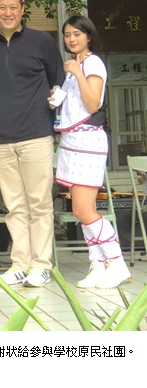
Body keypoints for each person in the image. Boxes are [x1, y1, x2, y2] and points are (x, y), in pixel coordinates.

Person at [0, 0, 65, 287]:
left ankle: (41, 265)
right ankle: (20, 263)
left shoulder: (42, 41)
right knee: (13, 205)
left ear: (23, 9)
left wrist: (56, 97)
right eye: (2, 7)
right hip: (1, 137)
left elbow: (58, 80)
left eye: (13, 7)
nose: (8, 12)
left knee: (39, 202)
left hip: (36, 134)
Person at [53, 15, 131, 288]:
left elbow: (93, 104)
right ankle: (97, 266)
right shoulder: (76, 65)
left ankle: (116, 263)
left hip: (87, 142)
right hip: (72, 142)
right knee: (81, 210)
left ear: (88, 36)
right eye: (67, 34)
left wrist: (77, 74)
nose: (71, 39)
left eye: (77, 34)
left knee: (85, 210)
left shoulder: (92, 63)